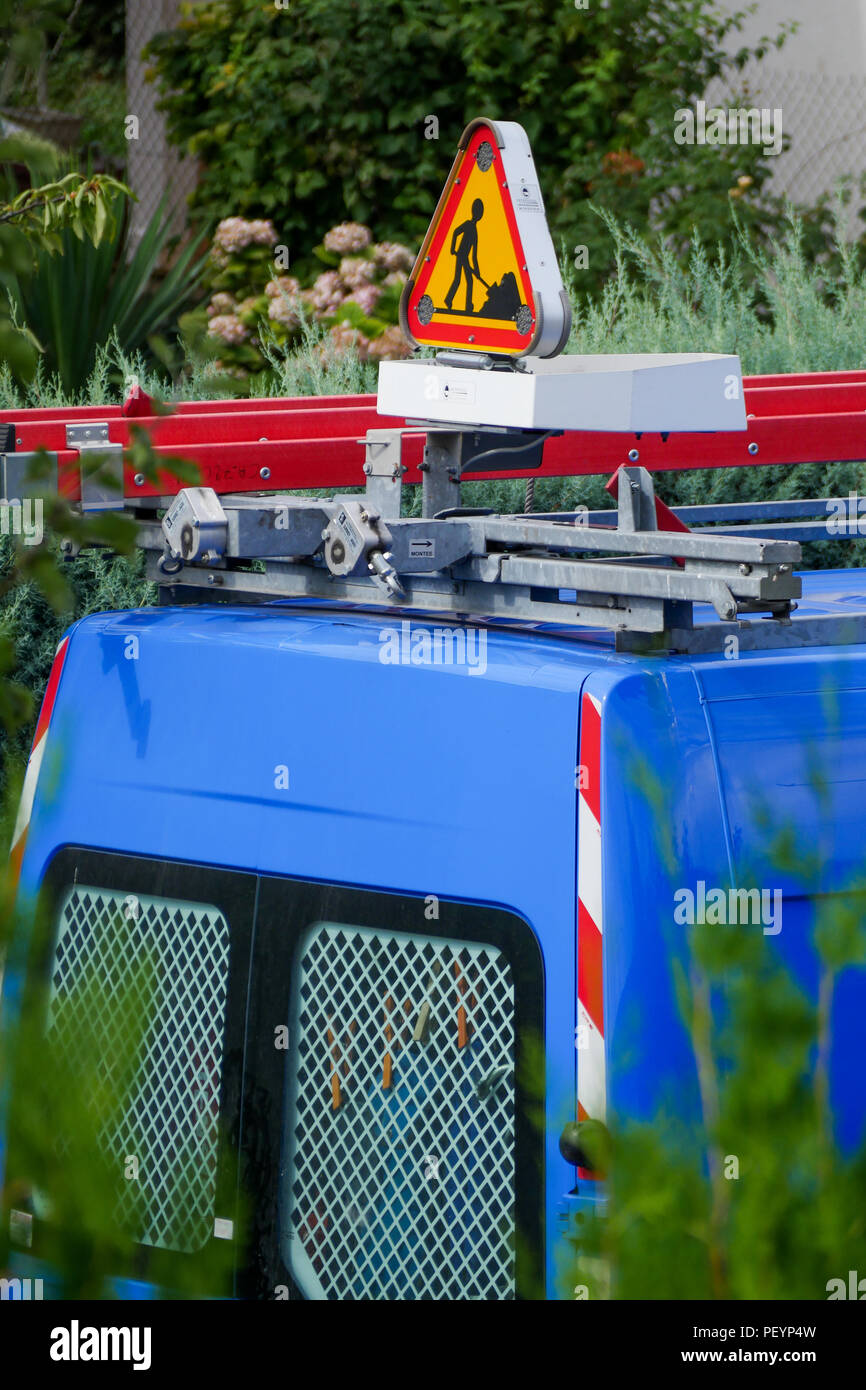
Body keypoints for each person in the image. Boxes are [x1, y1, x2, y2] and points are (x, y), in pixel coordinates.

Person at [444, 199, 485, 313]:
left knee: (463, 280)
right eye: (479, 212)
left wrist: (477, 270)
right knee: (460, 280)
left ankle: (453, 300)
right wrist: (452, 248)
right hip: (461, 255)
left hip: (464, 257)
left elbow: (474, 254)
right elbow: (455, 232)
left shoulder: (475, 231)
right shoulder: (468, 225)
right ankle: (461, 304)